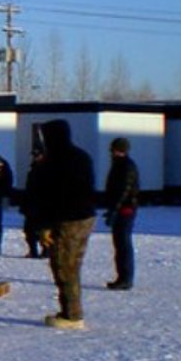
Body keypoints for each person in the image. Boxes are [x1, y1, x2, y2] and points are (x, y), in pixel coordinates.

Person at [29, 119, 96, 329]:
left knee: (64, 266)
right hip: (85, 217)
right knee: (72, 264)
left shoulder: (53, 162)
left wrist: (44, 225)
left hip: (66, 220)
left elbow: (50, 197)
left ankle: (72, 314)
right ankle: (71, 310)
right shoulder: (82, 157)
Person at [103, 137, 139, 291]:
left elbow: (123, 190)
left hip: (125, 209)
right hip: (122, 208)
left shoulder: (125, 166)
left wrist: (115, 210)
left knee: (123, 244)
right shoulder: (121, 165)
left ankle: (125, 278)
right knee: (120, 244)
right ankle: (123, 277)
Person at [20, 148, 48, 259]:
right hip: (31, 204)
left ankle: (46, 250)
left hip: (44, 205)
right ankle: (33, 250)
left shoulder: (48, 169)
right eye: (34, 155)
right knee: (29, 229)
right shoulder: (32, 169)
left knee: (44, 230)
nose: (36, 157)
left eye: (38, 155)